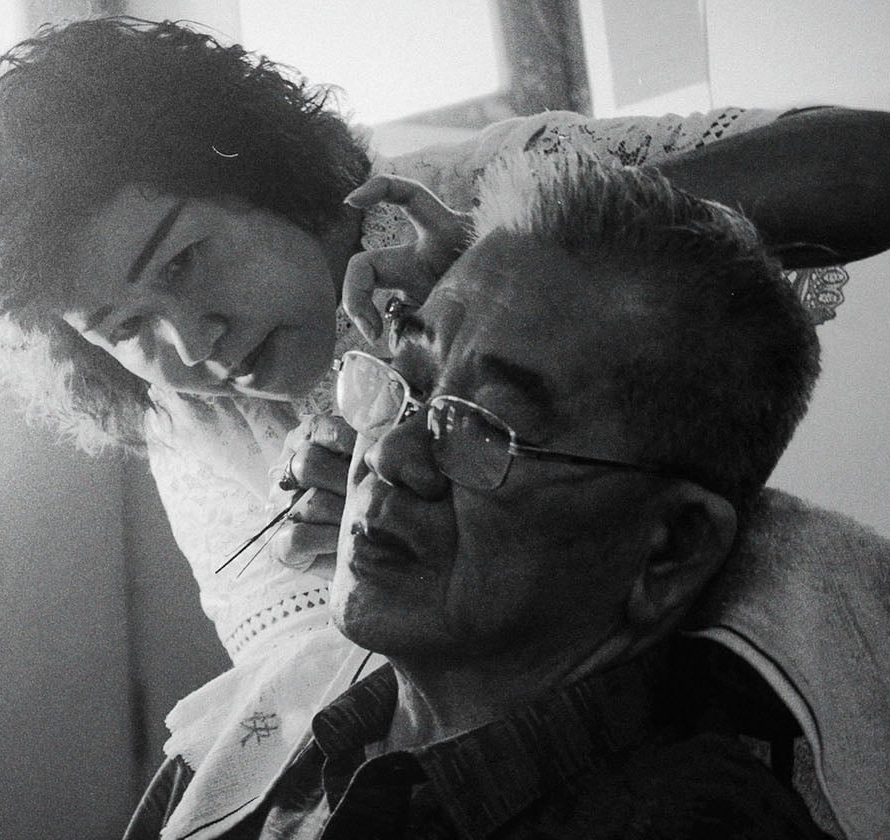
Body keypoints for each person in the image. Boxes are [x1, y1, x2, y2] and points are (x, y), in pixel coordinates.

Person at [0, 16, 890, 836]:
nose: (187, 342)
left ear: (250, 164)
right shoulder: (191, 425)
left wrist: (501, 262)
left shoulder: (480, 195)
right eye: (121, 327)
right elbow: (338, 687)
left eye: (184, 262)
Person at [131, 152, 835, 838]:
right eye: (401, 381)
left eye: (484, 427)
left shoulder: (689, 820)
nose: (388, 454)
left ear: (672, 549)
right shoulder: (230, 759)